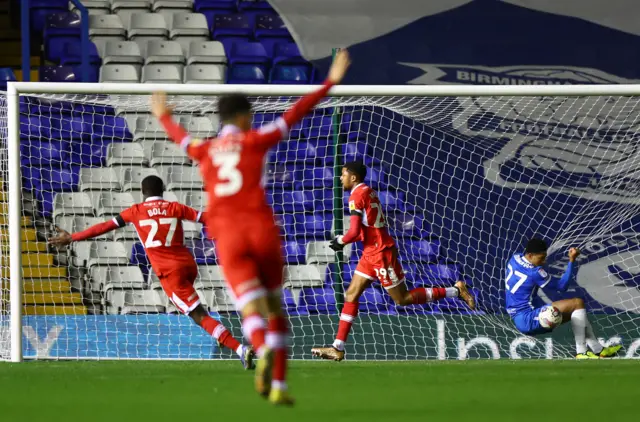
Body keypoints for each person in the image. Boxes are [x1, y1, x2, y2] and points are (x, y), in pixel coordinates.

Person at [150, 49, 352, 405]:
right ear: (245, 117)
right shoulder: (256, 139)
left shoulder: (204, 148)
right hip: (261, 228)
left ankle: (259, 350)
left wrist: (164, 114)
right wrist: (330, 81)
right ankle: (280, 385)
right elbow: (296, 112)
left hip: (226, 235)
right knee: (275, 307)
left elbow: (179, 136)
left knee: (249, 309)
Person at [48, 175, 254, 368]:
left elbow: (104, 227)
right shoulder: (175, 207)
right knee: (195, 307)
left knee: (198, 316)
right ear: (162, 190)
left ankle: (240, 349)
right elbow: (206, 218)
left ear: (141, 191)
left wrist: (73, 237)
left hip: (169, 272)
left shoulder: (135, 211)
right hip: (188, 265)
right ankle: (217, 334)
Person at [311, 161, 476, 361]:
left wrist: (340, 240)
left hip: (381, 254)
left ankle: (456, 291)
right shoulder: (369, 191)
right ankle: (337, 347)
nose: (340, 177)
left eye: (343, 174)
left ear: (353, 177)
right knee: (351, 295)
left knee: (402, 299)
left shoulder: (356, 196)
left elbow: (354, 232)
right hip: (370, 253)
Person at [505, 237, 621, 359]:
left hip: (519, 316)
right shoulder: (535, 272)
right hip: (528, 318)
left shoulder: (515, 258)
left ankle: (598, 350)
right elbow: (562, 286)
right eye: (541, 257)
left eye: (545, 257)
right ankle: (581, 352)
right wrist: (572, 260)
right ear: (530, 255)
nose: (544, 261)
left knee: (577, 312)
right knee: (577, 303)